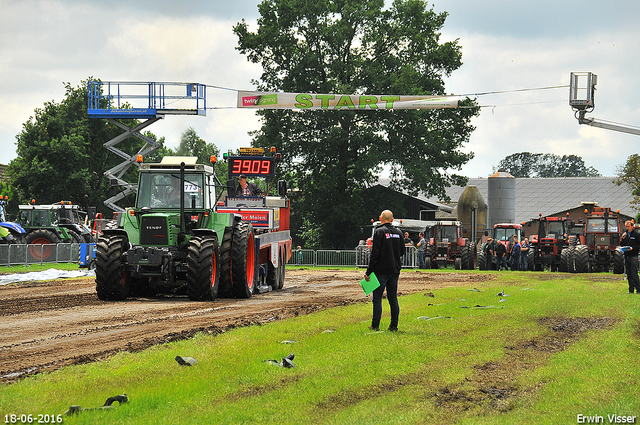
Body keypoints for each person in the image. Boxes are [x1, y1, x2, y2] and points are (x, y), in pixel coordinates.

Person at [364, 210, 404, 332]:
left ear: (380, 219)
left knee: (377, 299)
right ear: (392, 220)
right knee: (393, 298)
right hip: (395, 270)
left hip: (381, 270)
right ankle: (394, 325)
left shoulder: (379, 232)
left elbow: (375, 254)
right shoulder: (399, 233)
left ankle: (375, 325)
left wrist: (369, 271)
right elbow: (402, 251)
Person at [620, 220, 640, 294]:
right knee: (629, 274)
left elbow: (638, 245)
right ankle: (631, 289)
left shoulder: (636, 235)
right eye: (626, 226)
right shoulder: (625, 234)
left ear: (632, 226)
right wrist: (623, 238)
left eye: (628, 226)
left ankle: (638, 289)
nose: (627, 228)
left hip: (633, 256)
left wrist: (633, 248)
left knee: (634, 273)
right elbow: (621, 244)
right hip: (627, 256)